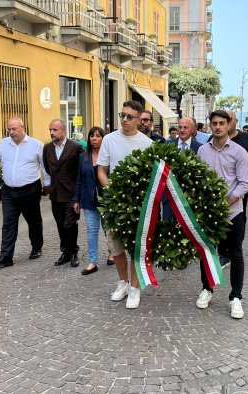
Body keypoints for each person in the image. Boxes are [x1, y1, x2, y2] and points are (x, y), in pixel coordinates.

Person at [97, 101, 153, 309]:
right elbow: (102, 170)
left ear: (140, 120)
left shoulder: (147, 144)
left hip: (138, 204)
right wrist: (112, 190)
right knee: (116, 247)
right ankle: (123, 282)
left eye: (130, 117)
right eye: (123, 115)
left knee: (137, 248)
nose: (124, 119)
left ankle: (135, 289)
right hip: (114, 203)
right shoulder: (109, 139)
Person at [196, 110, 248, 319]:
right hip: (208, 213)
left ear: (229, 125)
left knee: (235, 253)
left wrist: (226, 201)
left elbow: (245, 182)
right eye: (214, 123)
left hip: (232, 212)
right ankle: (207, 289)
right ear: (210, 125)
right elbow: (198, 179)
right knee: (207, 252)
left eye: (222, 123)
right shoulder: (202, 151)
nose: (218, 127)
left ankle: (236, 297)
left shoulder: (239, 152)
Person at [0, 118, 44, 268]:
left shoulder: (36, 145)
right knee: (8, 223)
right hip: (9, 191)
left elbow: (45, 167)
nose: (11, 133)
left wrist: (48, 185)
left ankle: (37, 247)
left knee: (33, 220)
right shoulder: (4, 143)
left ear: (23, 128)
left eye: (14, 129)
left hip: (30, 189)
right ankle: (6, 257)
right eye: (9, 130)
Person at [43, 119, 84, 267]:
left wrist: (79, 195)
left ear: (64, 131)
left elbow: (82, 170)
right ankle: (65, 252)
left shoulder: (75, 147)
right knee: (60, 223)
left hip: (71, 193)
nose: (52, 133)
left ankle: (74, 251)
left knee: (70, 224)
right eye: (50, 130)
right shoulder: (47, 148)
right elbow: (47, 168)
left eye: (55, 130)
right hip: (56, 193)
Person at [73, 126, 107, 275]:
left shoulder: (108, 155)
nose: (94, 138)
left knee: (109, 230)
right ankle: (93, 262)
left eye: (98, 136)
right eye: (92, 136)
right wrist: (76, 199)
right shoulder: (83, 157)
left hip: (106, 200)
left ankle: (113, 253)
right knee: (92, 230)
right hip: (88, 200)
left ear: (103, 138)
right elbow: (79, 179)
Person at [225, 110, 248, 217]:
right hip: (220, 185)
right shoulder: (213, 138)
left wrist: (246, 170)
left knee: (239, 215)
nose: (228, 122)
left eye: (231, 119)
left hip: (241, 184)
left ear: (236, 121)